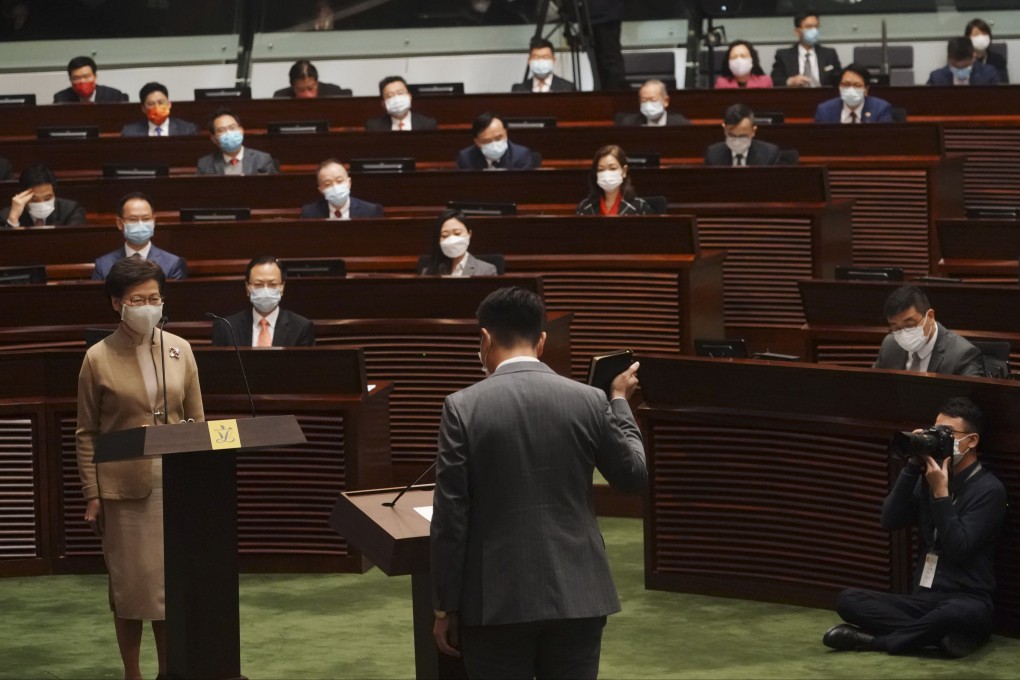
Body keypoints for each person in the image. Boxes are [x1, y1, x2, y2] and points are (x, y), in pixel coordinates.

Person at [431, 286, 646, 678]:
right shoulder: (590, 400)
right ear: (542, 341)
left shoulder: (462, 407)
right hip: (579, 593)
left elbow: (451, 518)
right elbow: (634, 477)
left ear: (485, 339)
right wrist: (619, 402)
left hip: (496, 601)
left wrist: (446, 606)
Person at [76, 257, 204, 679]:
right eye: (137, 299)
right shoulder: (97, 358)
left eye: (155, 298)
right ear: (117, 303)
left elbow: (198, 422)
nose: (148, 306)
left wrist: (201, 481)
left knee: (170, 591)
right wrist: (93, 494)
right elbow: (86, 433)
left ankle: (169, 671)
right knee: (131, 591)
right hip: (125, 490)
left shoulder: (180, 349)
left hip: (177, 486)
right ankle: (133, 673)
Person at [823, 397, 1006, 658]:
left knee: (952, 614)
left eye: (947, 433)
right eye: (935, 431)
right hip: (922, 600)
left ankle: (876, 641)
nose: (938, 439)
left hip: (967, 600)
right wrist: (911, 466)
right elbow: (890, 520)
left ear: (972, 441)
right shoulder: (928, 478)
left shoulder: (989, 490)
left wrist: (941, 495)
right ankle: (938, 639)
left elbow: (958, 549)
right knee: (849, 600)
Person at [873, 286, 983, 376]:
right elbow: (875, 388)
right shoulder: (890, 345)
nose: (904, 334)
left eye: (910, 325)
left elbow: (972, 396)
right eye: (896, 328)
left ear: (930, 316)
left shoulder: (962, 355)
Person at [210, 256, 315, 348]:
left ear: (282, 287)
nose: (265, 290)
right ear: (247, 288)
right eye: (258, 284)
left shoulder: (301, 327)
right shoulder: (226, 328)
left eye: (272, 284)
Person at [93, 192, 187, 281]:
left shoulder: (172, 264)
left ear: (153, 221)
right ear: (119, 223)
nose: (140, 224)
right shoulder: (103, 265)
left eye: (146, 219)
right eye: (133, 219)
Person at [196, 109, 279, 176]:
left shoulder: (262, 159)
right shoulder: (205, 164)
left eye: (232, 128)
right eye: (221, 130)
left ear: (241, 131)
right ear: (214, 139)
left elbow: (273, 188)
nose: (228, 133)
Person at [1, 164, 86, 228]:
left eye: (48, 198)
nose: (41, 204)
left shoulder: (71, 211)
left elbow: (73, 241)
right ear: (22, 197)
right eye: (34, 200)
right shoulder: (6, 215)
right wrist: (13, 220)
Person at [576, 145, 652, 216]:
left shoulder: (640, 207)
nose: (606, 174)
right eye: (601, 169)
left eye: (612, 168)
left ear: (624, 171)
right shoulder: (585, 207)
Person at [418, 209, 498, 277]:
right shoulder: (428, 273)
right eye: (444, 235)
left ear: (469, 234)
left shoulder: (487, 271)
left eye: (457, 233)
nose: (451, 239)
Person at [770, 13, 842, 88]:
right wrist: (790, 81)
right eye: (809, 27)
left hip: (823, 94)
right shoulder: (784, 56)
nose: (814, 31)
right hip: (795, 94)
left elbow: (839, 79)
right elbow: (775, 80)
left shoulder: (830, 54)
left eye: (816, 27)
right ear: (797, 32)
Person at [300, 159, 384, 219]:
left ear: (349, 183)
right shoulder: (309, 213)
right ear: (321, 190)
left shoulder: (371, 211)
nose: (335, 187)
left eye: (339, 181)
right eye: (328, 184)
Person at [704, 104, 782, 167]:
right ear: (724, 130)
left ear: (753, 131)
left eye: (743, 136)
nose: (737, 142)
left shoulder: (769, 154)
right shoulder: (713, 155)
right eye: (732, 135)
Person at [814, 64, 894, 124]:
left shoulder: (881, 109)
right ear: (839, 87)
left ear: (866, 89)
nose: (851, 89)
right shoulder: (824, 111)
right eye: (846, 84)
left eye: (857, 85)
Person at [455, 113, 537, 170]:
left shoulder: (521, 156)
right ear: (477, 142)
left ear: (505, 133)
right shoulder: (465, 158)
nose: (494, 145)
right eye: (487, 141)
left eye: (498, 138)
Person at [121, 82, 199, 137]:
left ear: (169, 104)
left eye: (161, 102)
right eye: (151, 104)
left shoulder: (187, 130)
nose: (157, 107)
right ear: (143, 109)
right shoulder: (130, 132)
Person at [364, 76, 438, 131]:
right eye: (390, 96)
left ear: (409, 96)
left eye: (400, 93)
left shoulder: (427, 124)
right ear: (383, 103)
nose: (396, 99)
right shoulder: (373, 127)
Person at [510, 37, 576, 93]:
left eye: (545, 57)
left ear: (553, 60)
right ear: (529, 60)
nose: (541, 61)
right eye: (536, 57)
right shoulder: (518, 90)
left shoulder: (568, 88)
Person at [927, 37, 1000, 87]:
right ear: (949, 59)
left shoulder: (989, 75)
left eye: (965, 67)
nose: (960, 71)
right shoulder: (936, 78)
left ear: (974, 56)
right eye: (955, 67)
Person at [614, 79, 689, 127]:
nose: (648, 105)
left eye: (653, 100)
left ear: (666, 101)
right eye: (644, 100)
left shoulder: (681, 124)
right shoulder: (629, 123)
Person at [53, 56, 128, 103]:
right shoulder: (61, 99)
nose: (82, 81)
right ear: (70, 80)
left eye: (86, 77)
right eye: (76, 78)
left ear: (95, 77)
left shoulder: (113, 96)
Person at [587, 0, 626, 89]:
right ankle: (603, 89)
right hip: (590, 15)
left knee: (609, 61)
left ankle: (614, 91)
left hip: (605, 15)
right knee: (597, 64)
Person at [273, 59, 347, 98]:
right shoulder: (281, 98)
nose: (307, 95)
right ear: (293, 87)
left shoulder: (334, 94)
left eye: (310, 88)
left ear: (316, 83)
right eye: (301, 90)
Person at [966, 18, 1009, 84]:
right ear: (967, 38)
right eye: (976, 34)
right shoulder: (963, 60)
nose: (981, 37)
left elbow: (1003, 85)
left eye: (984, 34)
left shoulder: (998, 60)